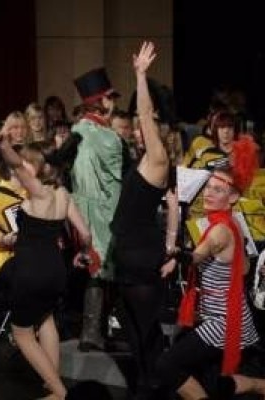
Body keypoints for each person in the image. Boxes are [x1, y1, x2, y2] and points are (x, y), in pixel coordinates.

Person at [158, 157, 265, 399]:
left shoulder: (219, 230)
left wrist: (174, 242)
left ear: (233, 197)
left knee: (167, 366)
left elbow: (195, 257)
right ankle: (256, 385)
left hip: (224, 321)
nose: (208, 193)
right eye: (207, 187)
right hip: (228, 314)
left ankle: (257, 385)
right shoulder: (231, 223)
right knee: (213, 382)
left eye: (218, 190)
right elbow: (244, 268)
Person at [0, 125, 92, 400]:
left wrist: (3, 145)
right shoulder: (63, 194)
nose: (24, 165)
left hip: (31, 271)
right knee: (46, 319)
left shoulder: (39, 192)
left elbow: (15, 164)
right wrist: (83, 253)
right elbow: (86, 234)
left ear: (42, 167)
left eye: (29, 162)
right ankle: (51, 386)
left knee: (22, 333)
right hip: (55, 271)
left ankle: (60, 392)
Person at [110, 42, 178, 398]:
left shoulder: (158, 159)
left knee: (147, 330)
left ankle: (158, 386)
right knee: (131, 326)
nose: (138, 131)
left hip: (140, 253)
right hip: (128, 253)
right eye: (135, 129)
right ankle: (144, 384)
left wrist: (140, 76)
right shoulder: (142, 160)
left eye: (142, 129)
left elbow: (146, 113)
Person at [71, 66, 123, 352]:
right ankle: (94, 330)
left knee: (95, 269)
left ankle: (93, 330)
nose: (113, 102)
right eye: (109, 97)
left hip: (81, 210)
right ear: (99, 102)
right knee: (103, 270)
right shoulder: (107, 137)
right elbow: (119, 176)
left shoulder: (77, 130)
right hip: (104, 210)